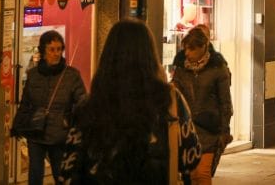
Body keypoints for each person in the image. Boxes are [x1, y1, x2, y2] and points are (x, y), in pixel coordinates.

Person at [58, 18, 202, 184]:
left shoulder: (89, 107)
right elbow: (191, 158)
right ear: (150, 56)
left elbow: (67, 172)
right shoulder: (170, 101)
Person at [15, 29, 87, 185]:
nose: (56, 53)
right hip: (35, 132)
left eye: (59, 49)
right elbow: (26, 103)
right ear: (43, 51)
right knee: (35, 174)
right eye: (52, 49)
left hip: (59, 134)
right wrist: (18, 124)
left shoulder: (71, 75)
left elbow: (81, 100)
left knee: (60, 173)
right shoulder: (33, 75)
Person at [172, 26, 233, 183]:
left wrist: (224, 131)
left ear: (203, 47)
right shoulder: (181, 69)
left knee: (203, 173)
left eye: (191, 49)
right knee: (191, 175)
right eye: (185, 49)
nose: (187, 53)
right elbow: (175, 94)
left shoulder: (218, 68)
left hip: (209, 129)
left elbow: (225, 102)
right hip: (187, 129)